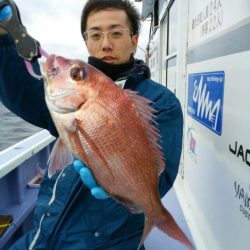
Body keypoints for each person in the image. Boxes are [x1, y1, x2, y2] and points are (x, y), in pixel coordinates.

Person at [0, 0, 183, 249]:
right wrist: (3, 39)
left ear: (134, 40)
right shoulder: (67, 101)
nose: (105, 43)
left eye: (116, 33)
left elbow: (162, 175)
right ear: (86, 41)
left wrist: (125, 192)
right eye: (95, 35)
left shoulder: (162, 102)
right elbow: (18, 90)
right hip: (42, 234)